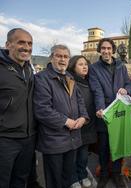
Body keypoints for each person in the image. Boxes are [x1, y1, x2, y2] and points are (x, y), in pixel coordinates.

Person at [33, 44, 89, 188]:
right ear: (51, 58)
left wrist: (83, 117)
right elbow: (42, 109)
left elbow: (80, 100)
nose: (62, 59)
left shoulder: (70, 77)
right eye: (58, 56)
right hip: (54, 141)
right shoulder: (42, 78)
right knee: (54, 180)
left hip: (72, 139)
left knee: (67, 178)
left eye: (65, 56)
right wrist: (66, 121)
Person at [89, 38, 131, 188]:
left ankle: (116, 173)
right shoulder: (94, 68)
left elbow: (128, 83)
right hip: (104, 113)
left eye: (108, 48)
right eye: (103, 48)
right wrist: (101, 108)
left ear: (112, 50)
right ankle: (105, 174)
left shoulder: (121, 66)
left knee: (118, 145)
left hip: (120, 113)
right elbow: (96, 90)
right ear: (100, 50)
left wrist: (126, 90)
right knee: (104, 146)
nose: (106, 51)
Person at [0, 28, 36, 188]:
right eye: (21, 42)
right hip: (5, 140)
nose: (26, 47)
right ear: (8, 44)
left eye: (29, 43)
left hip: (28, 139)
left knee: (20, 180)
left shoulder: (28, 69)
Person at [68, 55, 97, 188]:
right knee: (73, 155)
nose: (85, 66)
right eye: (80, 64)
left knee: (84, 155)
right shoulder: (70, 81)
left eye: (86, 64)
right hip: (76, 123)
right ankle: (73, 178)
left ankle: (83, 175)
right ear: (73, 66)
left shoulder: (89, 81)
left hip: (88, 124)